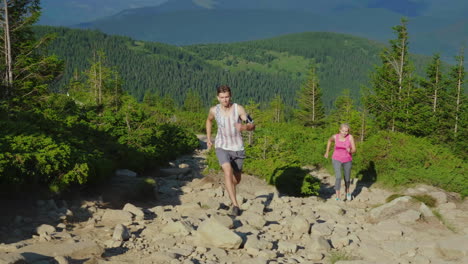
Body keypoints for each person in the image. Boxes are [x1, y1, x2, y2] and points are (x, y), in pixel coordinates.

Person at [206, 85, 255, 216]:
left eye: (227, 97)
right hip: (221, 146)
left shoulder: (238, 109)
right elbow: (209, 121)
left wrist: (244, 128)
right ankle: (235, 205)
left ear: (230, 96)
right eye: (222, 97)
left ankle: (229, 187)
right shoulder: (213, 110)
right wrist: (209, 138)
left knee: (236, 180)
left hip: (237, 148)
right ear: (218, 98)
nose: (225, 100)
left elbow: (251, 124)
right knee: (227, 171)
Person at [324, 123, 356, 201]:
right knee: (338, 177)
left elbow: (354, 150)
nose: (344, 133)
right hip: (336, 159)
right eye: (343, 131)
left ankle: (347, 192)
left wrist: (350, 150)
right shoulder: (335, 137)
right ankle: (337, 196)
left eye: (346, 131)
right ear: (340, 130)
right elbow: (329, 141)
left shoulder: (350, 137)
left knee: (347, 178)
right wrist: (327, 152)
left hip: (347, 160)